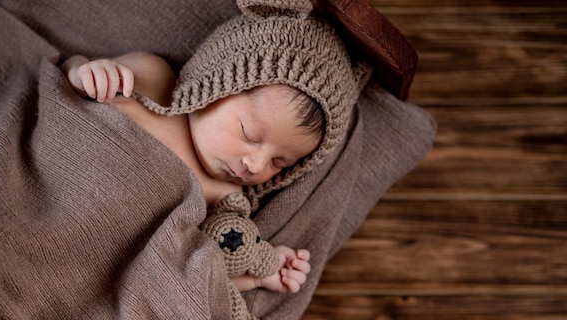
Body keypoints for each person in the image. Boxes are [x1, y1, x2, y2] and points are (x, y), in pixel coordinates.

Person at [59, 0, 369, 296]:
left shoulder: (224, 198)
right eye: (249, 133)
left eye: (281, 162)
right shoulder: (151, 76)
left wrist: (258, 273)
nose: (256, 165)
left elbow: (196, 270)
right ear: (216, 81)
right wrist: (84, 74)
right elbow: (64, 79)